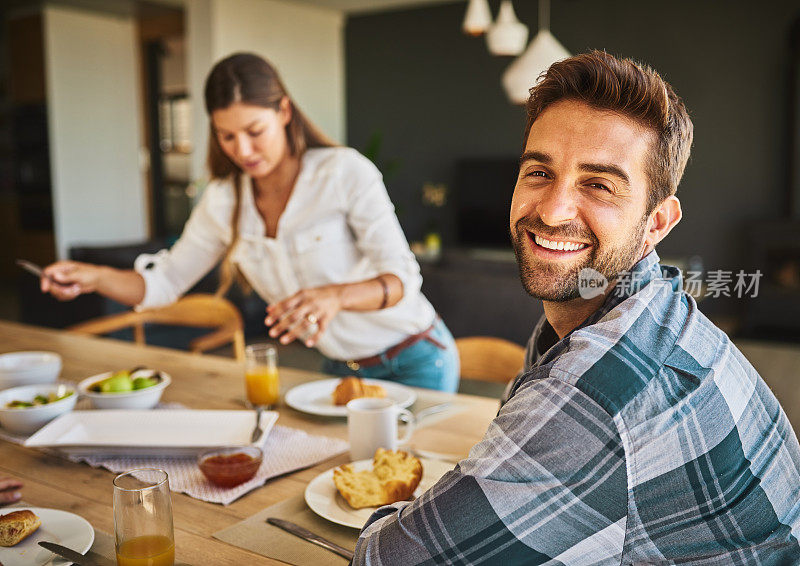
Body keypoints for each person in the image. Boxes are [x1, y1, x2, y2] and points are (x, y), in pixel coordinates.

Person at [353, 51, 800, 564]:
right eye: (539, 172)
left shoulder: (600, 385)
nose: (552, 209)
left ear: (657, 221)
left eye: (598, 184)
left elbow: (387, 559)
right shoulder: (647, 310)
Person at [40, 53, 459, 392]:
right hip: (340, 371)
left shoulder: (343, 172)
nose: (243, 149)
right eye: (226, 136)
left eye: (254, 131)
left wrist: (334, 296)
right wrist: (93, 276)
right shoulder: (224, 199)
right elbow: (163, 282)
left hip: (416, 359)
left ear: (283, 111)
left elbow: (404, 278)